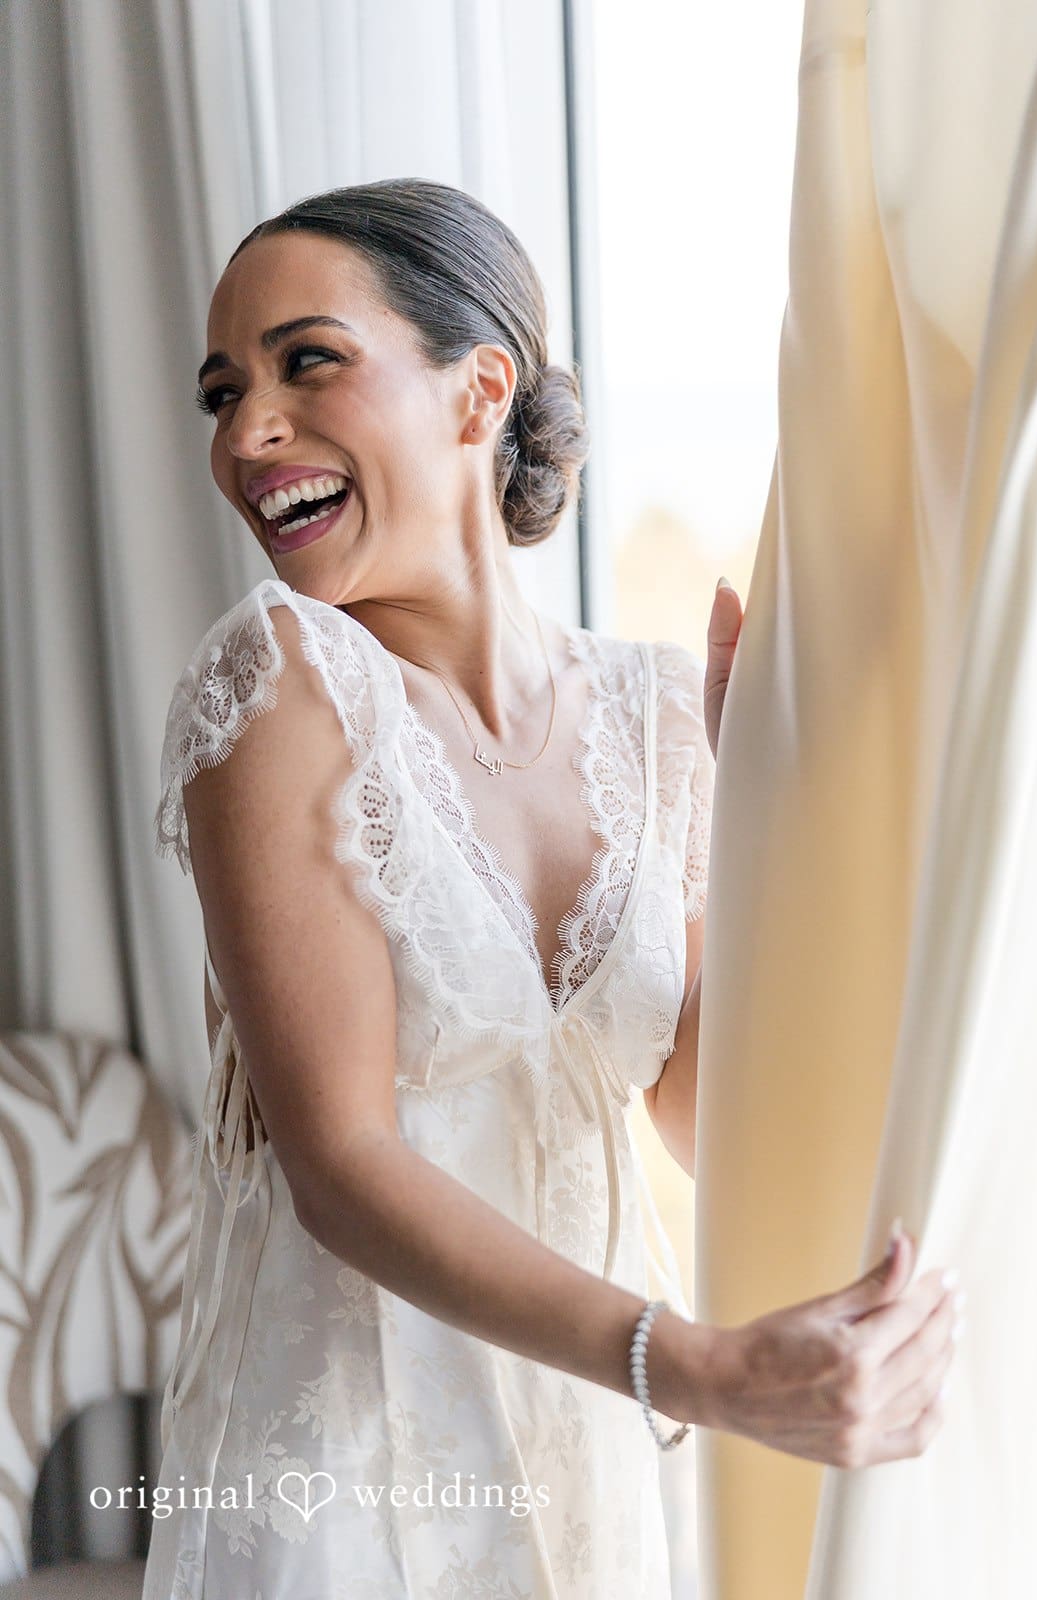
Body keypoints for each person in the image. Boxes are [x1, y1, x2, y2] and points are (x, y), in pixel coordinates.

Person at [142, 179, 962, 1600]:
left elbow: (703, 1119)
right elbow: (341, 1164)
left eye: (305, 362)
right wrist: (689, 1365)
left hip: (586, 1466)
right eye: (224, 394)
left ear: (480, 392)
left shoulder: (654, 714)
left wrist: (773, 833)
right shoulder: (280, 679)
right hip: (354, 1474)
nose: (246, 433)